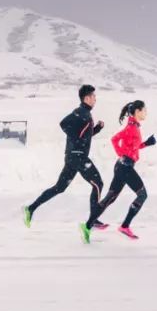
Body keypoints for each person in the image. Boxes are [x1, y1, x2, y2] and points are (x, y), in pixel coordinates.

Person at [23, 84, 106, 229]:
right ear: (86, 98)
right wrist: (76, 142)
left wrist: (96, 129)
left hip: (73, 158)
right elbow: (64, 124)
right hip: (78, 157)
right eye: (93, 96)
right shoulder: (81, 112)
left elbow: (84, 135)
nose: (95, 99)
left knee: (59, 187)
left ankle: (31, 208)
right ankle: (93, 219)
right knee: (98, 184)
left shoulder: (85, 113)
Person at [81, 99, 156, 242]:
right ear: (138, 111)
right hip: (125, 166)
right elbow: (114, 139)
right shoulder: (132, 128)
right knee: (142, 195)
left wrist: (146, 144)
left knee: (109, 199)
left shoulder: (133, 126)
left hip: (122, 166)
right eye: (144, 110)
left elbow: (133, 147)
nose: (146, 113)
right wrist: (122, 155)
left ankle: (87, 226)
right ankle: (125, 226)